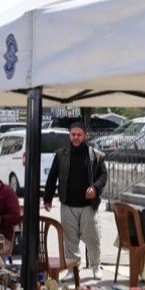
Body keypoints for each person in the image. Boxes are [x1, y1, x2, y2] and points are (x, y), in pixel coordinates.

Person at [43, 119, 108, 280]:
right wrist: (47, 198)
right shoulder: (61, 155)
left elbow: (103, 175)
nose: (76, 138)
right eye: (73, 135)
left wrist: (95, 188)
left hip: (88, 206)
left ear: (85, 135)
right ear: (69, 136)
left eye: (79, 135)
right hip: (67, 205)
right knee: (70, 241)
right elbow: (52, 177)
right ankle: (73, 269)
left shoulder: (96, 156)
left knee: (93, 239)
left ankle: (95, 266)